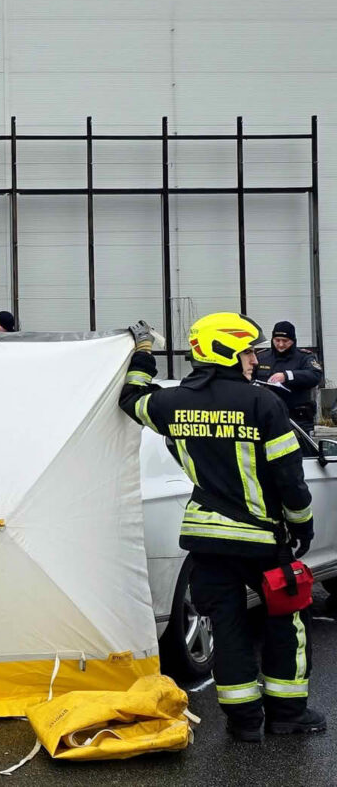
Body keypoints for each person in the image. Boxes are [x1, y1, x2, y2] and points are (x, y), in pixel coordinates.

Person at [120, 313, 323, 742]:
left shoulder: (173, 403)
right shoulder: (262, 403)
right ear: (227, 350)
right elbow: (289, 477)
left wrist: (142, 354)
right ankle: (287, 714)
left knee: (227, 630)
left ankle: (244, 723)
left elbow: (132, 398)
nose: (255, 358)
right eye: (249, 349)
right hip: (262, 542)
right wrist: (302, 524)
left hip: (207, 543)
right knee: (286, 625)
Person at [255, 320, 323, 435]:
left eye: (285, 341)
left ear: (293, 340)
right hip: (267, 417)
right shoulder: (261, 357)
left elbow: (315, 375)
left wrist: (287, 376)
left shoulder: (304, 357)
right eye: (277, 340)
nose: (281, 344)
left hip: (297, 420)